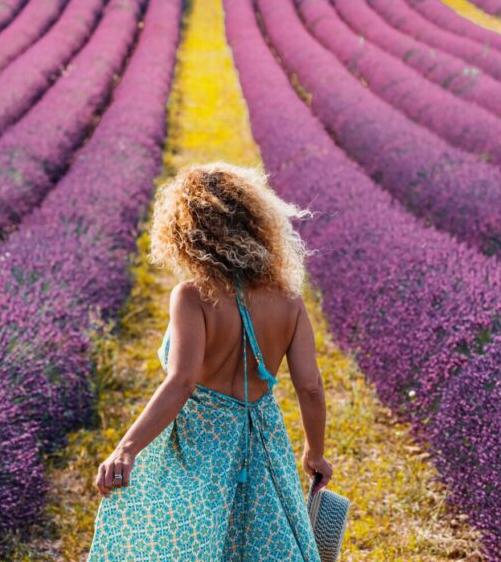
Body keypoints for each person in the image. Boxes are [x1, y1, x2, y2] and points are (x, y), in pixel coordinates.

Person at [86, 162, 332, 561]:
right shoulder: (288, 300)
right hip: (264, 441)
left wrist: (126, 449)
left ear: (186, 233)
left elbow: (182, 382)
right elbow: (310, 387)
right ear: (256, 225)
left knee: (193, 543)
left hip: (200, 444)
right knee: (264, 542)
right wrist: (315, 453)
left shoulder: (194, 296)